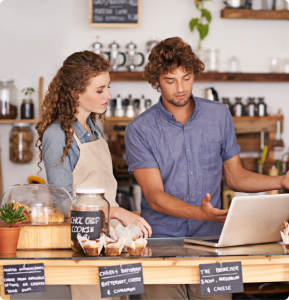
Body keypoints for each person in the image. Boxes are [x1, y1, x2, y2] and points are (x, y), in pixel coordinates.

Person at [124, 37, 289, 300]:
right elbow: (154, 196)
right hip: (161, 244)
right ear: (156, 81)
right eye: (170, 80)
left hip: (215, 244)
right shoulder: (139, 129)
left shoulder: (219, 114)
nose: (180, 88)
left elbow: (236, 177)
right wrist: (202, 213)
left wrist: (281, 181)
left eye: (187, 77)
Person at [36, 50, 152, 300]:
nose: (108, 95)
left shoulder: (95, 130)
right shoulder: (58, 135)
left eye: (108, 87)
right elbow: (63, 204)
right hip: (85, 244)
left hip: (110, 241)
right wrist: (118, 211)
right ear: (76, 92)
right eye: (100, 90)